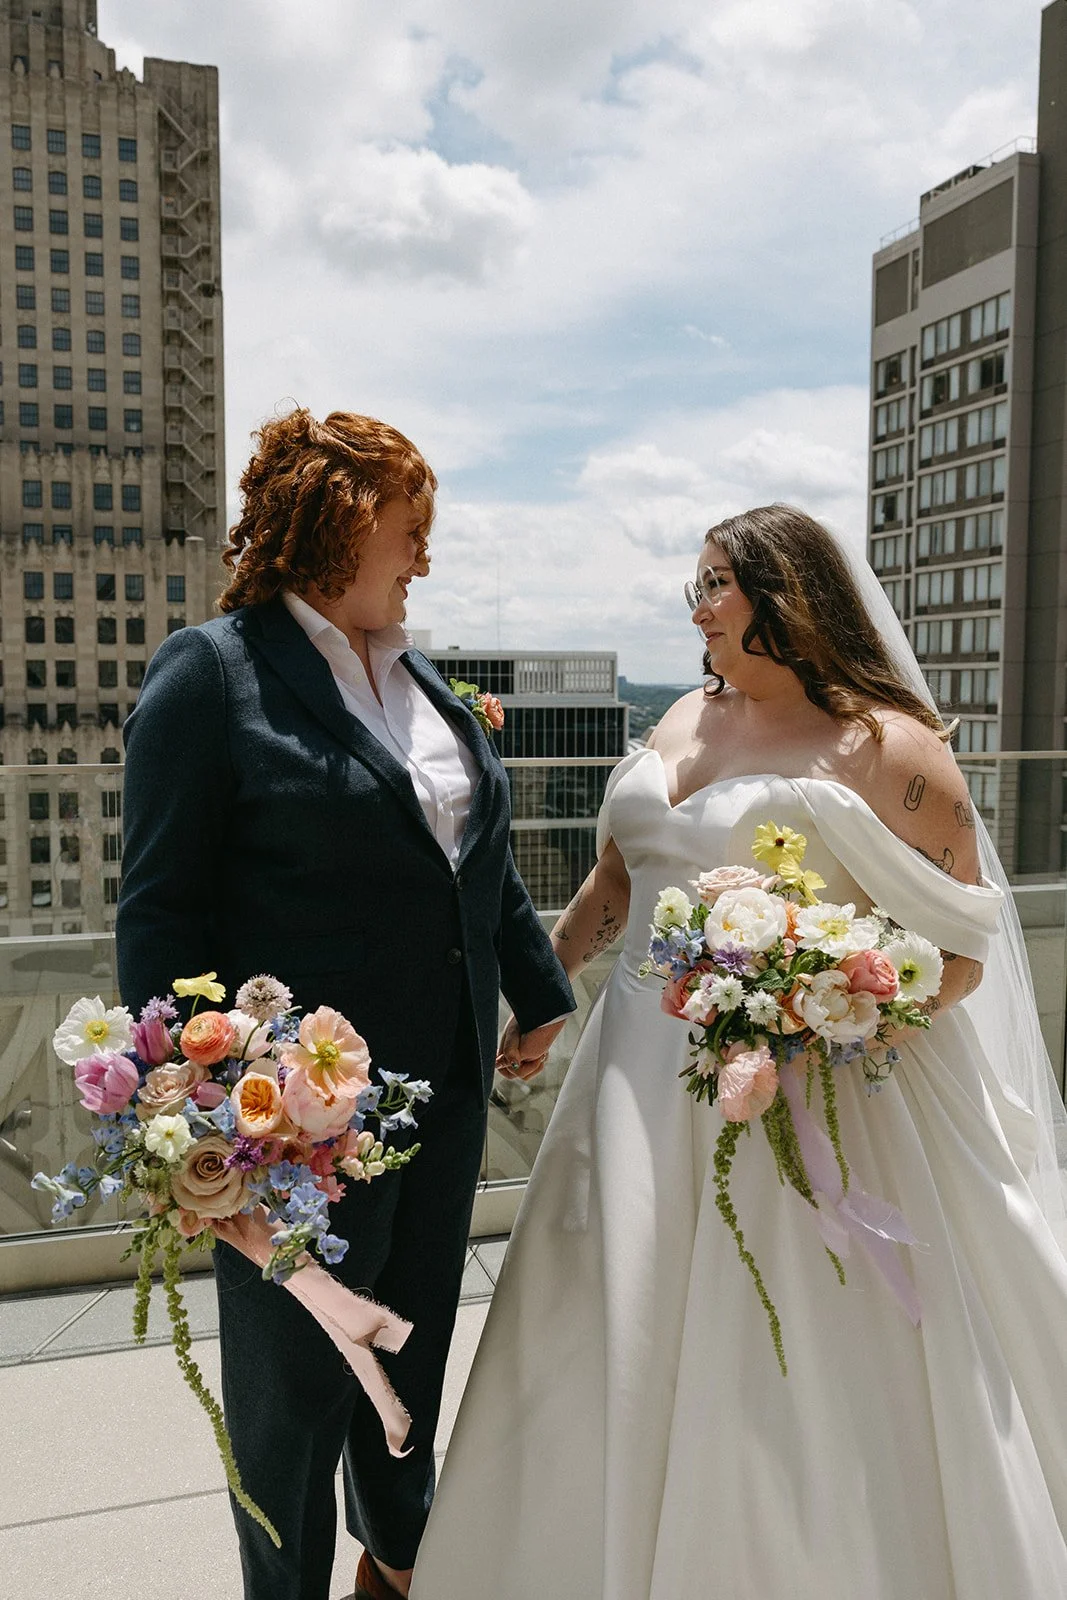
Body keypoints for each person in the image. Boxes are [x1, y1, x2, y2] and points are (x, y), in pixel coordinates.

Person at [412, 504, 1067, 1600]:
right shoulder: (680, 717)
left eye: (714, 581)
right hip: (628, 1076)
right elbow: (620, 877)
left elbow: (963, 944)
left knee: (785, 1343)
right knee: (604, 1305)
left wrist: (830, 1012)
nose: (696, 606)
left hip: (805, 1091)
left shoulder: (887, 749)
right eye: (695, 583)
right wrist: (544, 994)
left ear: (785, 595)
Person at [115, 407, 574, 1600]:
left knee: (410, 1354)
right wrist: (194, 1111)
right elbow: (157, 910)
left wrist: (540, 994)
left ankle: (399, 1569)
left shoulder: (426, 680)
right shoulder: (210, 672)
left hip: (445, 1092)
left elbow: (469, 865)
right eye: (409, 527)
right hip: (293, 1119)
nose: (424, 554)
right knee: (293, 1392)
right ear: (335, 517)